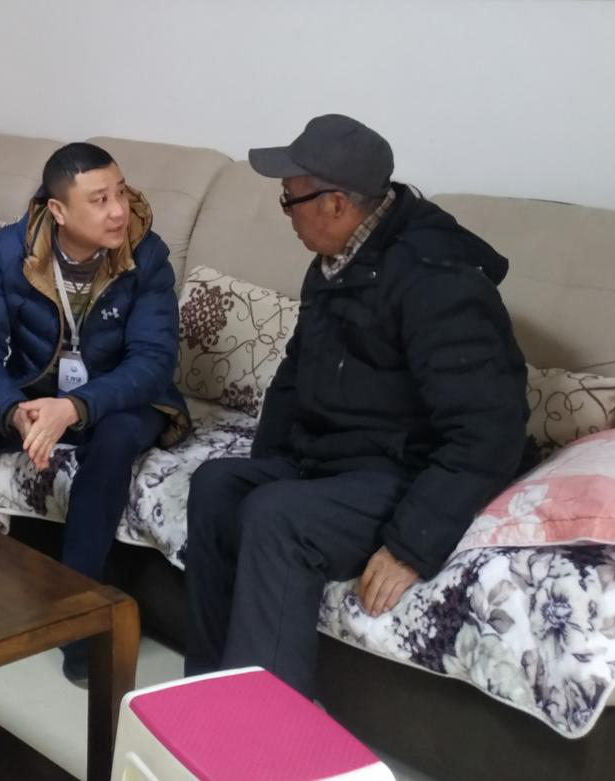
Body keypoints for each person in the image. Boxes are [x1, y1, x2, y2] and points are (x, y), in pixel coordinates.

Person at [183, 114, 533, 698]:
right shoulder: (336, 260)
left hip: (405, 473)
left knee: (276, 517)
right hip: (334, 462)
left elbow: (489, 430)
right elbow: (294, 375)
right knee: (218, 487)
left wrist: (411, 545)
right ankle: (206, 697)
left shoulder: (437, 281)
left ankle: (264, 733)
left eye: (289, 198)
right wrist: (271, 465)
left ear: (336, 203)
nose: (286, 211)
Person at [0, 142, 190, 685]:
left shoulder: (147, 254)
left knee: (114, 440)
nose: (118, 211)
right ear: (58, 210)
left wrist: (74, 407)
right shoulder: (12, 248)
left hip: (121, 400)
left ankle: (77, 618)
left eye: (121, 193)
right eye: (99, 200)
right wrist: (13, 410)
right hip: (34, 391)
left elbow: (153, 362)